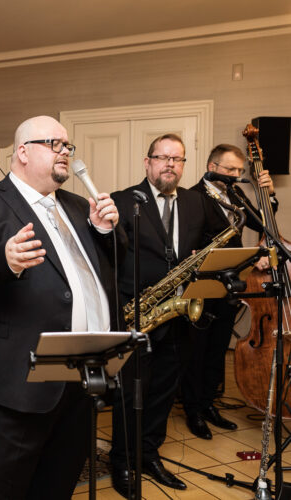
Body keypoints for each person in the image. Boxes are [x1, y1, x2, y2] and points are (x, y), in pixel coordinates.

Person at [0, 116, 122, 499]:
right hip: (15, 379)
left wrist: (105, 232)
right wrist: (3, 259)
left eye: (68, 146)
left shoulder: (78, 206)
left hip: (80, 375)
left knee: (57, 483)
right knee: (2, 490)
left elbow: (102, 274)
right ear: (22, 152)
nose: (65, 152)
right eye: (54, 144)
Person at [109, 134, 224, 498]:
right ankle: (122, 460)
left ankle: (149, 452)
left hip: (179, 313)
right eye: (162, 158)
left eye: (178, 159)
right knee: (131, 393)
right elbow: (106, 258)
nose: (170, 165)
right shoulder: (122, 201)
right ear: (148, 163)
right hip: (137, 314)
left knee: (162, 391)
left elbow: (214, 242)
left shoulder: (196, 202)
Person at [182, 143, 278, 440]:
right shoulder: (191, 197)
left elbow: (263, 223)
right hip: (203, 284)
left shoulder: (234, 194)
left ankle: (209, 403)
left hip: (231, 283)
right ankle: (193, 411)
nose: (237, 175)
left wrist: (269, 194)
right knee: (196, 351)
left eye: (240, 170)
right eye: (231, 169)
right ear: (212, 166)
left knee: (217, 349)